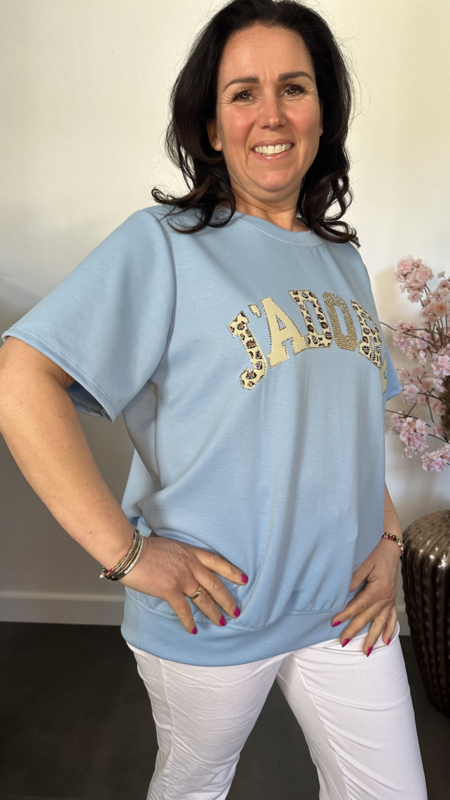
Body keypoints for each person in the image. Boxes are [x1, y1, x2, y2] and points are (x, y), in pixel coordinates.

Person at [0, 0, 428, 798]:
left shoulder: (342, 260)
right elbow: (20, 377)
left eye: (294, 87)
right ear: (209, 125)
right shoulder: (164, 244)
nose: (272, 114)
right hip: (214, 613)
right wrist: (127, 554)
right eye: (243, 93)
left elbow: (346, 428)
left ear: (323, 113)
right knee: (197, 785)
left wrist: (390, 538)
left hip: (342, 609)